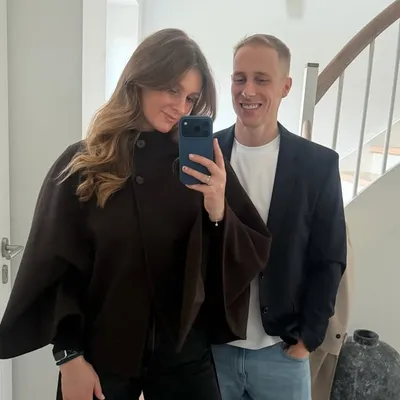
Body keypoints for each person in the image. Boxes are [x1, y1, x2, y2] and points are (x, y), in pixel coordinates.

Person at [0, 28, 272, 400]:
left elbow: (246, 254)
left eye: (191, 98)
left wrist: (218, 210)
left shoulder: (201, 164)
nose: (181, 107)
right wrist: (69, 356)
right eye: (172, 90)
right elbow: (57, 267)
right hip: (101, 353)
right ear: (141, 80)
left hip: (183, 352)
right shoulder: (85, 163)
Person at [211, 34, 347, 400]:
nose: (248, 90)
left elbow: (329, 258)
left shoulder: (318, 165)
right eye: (239, 78)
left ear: (285, 87)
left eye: (261, 79)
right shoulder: (206, 155)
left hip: (282, 352)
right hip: (214, 350)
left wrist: (307, 340)